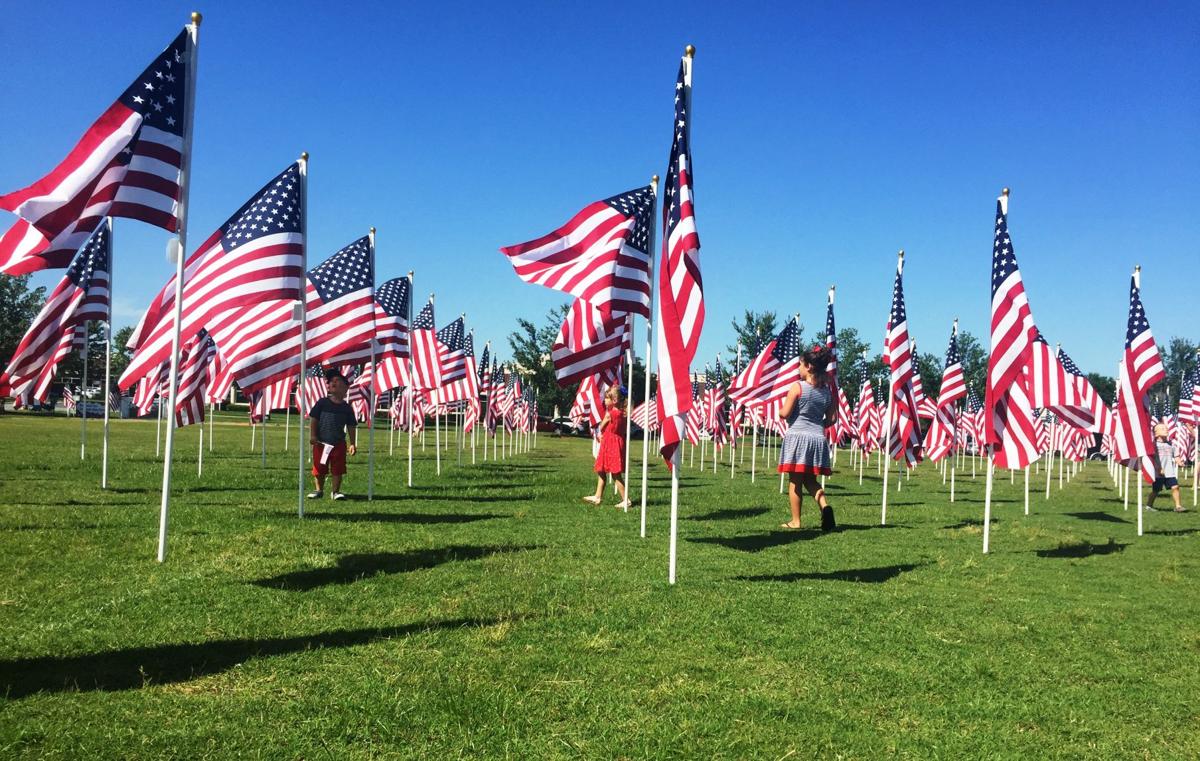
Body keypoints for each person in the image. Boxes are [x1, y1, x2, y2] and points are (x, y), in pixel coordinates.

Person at [777, 345, 837, 532]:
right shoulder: (827, 392)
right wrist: (819, 423)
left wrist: (779, 410)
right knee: (810, 480)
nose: (798, 369)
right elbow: (832, 418)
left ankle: (796, 521)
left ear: (809, 366)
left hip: (798, 438)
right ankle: (825, 506)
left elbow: (785, 414)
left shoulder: (797, 387)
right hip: (817, 438)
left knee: (795, 481)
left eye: (800, 365)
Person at [307, 370, 358, 500]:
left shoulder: (346, 408)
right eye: (331, 381)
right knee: (319, 467)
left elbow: (351, 426)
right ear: (328, 387)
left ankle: (335, 492)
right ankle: (319, 490)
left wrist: (352, 443)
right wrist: (313, 435)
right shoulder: (322, 403)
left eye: (337, 381)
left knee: (338, 468)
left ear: (346, 388)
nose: (334, 382)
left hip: (338, 444)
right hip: (321, 443)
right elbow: (314, 419)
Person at [584, 385, 630, 508]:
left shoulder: (611, 413)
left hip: (610, 443)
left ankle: (626, 499)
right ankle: (597, 496)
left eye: (607, 398)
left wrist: (601, 431)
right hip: (617, 442)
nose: (604, 400)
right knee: (602, 469)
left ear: (614, 400)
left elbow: (602, 427)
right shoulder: (622, 413)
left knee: (614, 473)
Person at [1146, 424, 1184, 512]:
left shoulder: (1171, 445)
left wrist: (1179, 462)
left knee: (1175, 487)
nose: (1166, 430)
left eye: (1166, 428)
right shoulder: (1154, 445)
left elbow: (1176, 456)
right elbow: (1153, 459)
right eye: (1163, 429)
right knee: (1156, 490)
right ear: (1156, 434)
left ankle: (1178, 506)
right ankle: (1149, 506)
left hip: (1169, 472)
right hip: (1158, 473)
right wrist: (1158, 468)